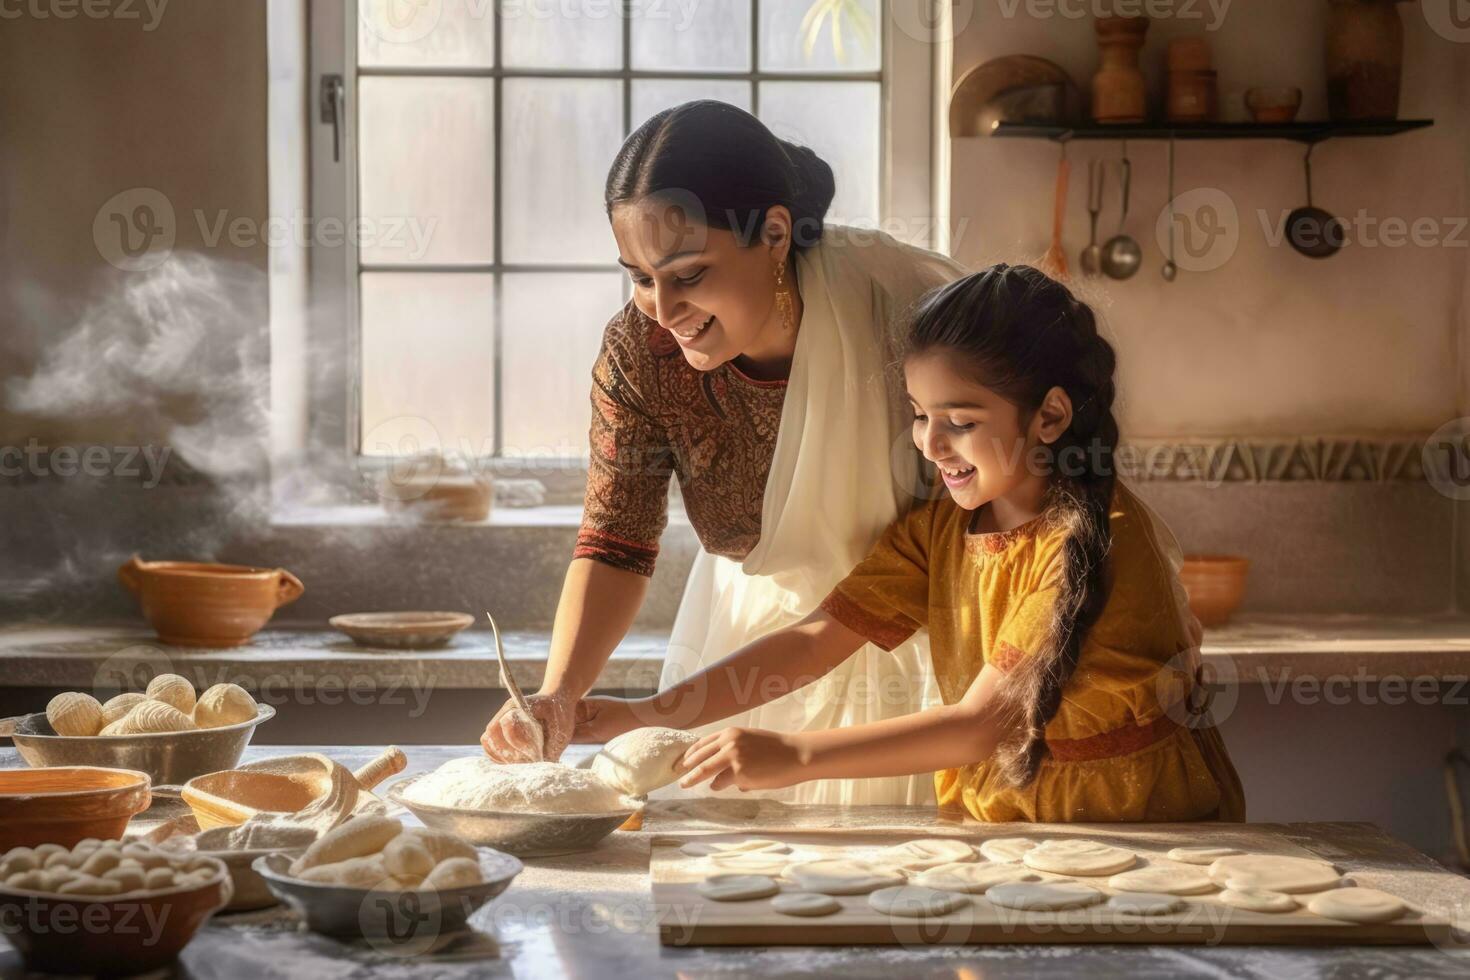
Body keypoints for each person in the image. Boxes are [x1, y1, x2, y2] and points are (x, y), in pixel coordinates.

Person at [577, 264, 1246, 822]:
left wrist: (797, 755)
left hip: (1137, 826)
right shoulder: (940, 531)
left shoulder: (1096, 543)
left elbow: (982, 725)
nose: (929, 443)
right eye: (921, 415)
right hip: (1010, 818)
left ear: (1049, 415)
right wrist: (639, 715)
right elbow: (815, 642)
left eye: (959, 420)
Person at [479, 100, 970, 804]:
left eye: (688, 273)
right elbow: (616, 540)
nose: (662, 308)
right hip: (748, 657)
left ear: (773, 233)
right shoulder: (640, 355)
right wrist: (559, 693)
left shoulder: (906, 309)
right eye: (640, 278)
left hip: (925, 657)